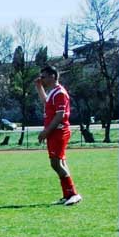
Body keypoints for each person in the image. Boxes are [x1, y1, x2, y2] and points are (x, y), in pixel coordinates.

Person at [36, 66, 81, 206]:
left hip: (58, 131)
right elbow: (46, 103)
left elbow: (60, 115)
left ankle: (73, 194)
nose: (41, 79)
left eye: (43, 77)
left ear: (53, 76)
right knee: (60, 163)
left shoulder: (60, 92)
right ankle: (68, 194)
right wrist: (39, 87)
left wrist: (46, 131)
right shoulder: (53, 92)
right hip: (54, 132)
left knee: (55, 163)